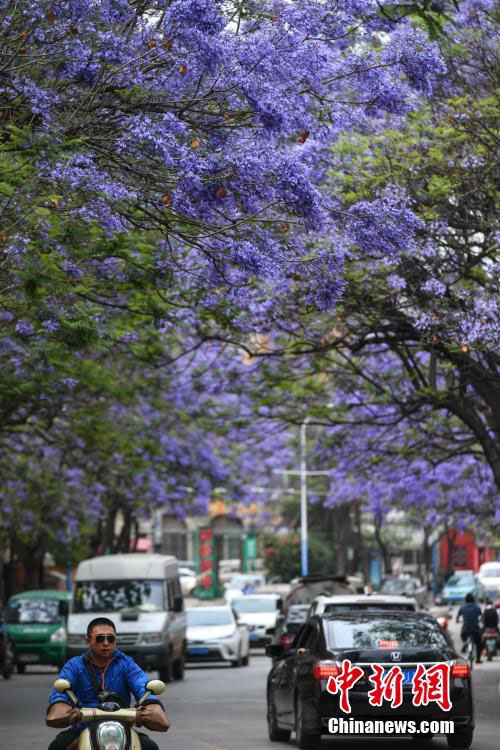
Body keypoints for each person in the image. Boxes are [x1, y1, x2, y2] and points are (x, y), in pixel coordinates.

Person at [46, 617, 169, 750]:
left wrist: (150, 705)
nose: (106, 643)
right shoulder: (74, 665)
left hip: (122, 729)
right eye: (100, 638)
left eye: (110, 639)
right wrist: (64, 709)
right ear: (88, 641)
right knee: (57, 746)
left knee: (150, 747)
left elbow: (143, 687)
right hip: (83, 728)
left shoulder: (127, 664)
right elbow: (60, 694)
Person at [456, 593, 483, 664]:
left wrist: (458, 621)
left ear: (466, 600)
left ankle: (466, 643)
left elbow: (457, 618)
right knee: (479, 645)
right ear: (473, 600)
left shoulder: (462, 607)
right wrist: (480, 620)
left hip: (465, 632)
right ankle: (478, 659)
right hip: (475, 631)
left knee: (465, 638)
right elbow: (482, 617)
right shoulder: (477, 607)